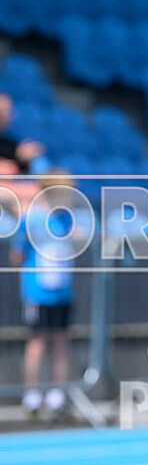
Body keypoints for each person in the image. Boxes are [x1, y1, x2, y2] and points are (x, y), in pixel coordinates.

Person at [10, 171, 75, 420]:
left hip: (63, 291)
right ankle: (33, 396)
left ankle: (57, 395)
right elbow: (17, 254)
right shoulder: (32, 220)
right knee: (37, 342)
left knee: (60, 342)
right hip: (38, 291)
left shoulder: (66, 220)